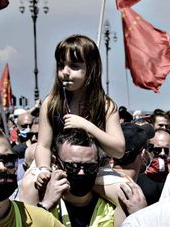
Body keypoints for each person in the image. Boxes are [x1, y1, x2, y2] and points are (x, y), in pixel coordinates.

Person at [32, 35, 125, 170]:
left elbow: (119, 150)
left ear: (91, 69)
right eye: (61, 65)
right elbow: (43, 146)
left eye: (74, 66)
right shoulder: (51, 103)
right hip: (57, 167)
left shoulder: (105, 106)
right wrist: (43, 169)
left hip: (94, 170)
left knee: (123, 190)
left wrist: (87, 126)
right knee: (29, 187)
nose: (65, 72)